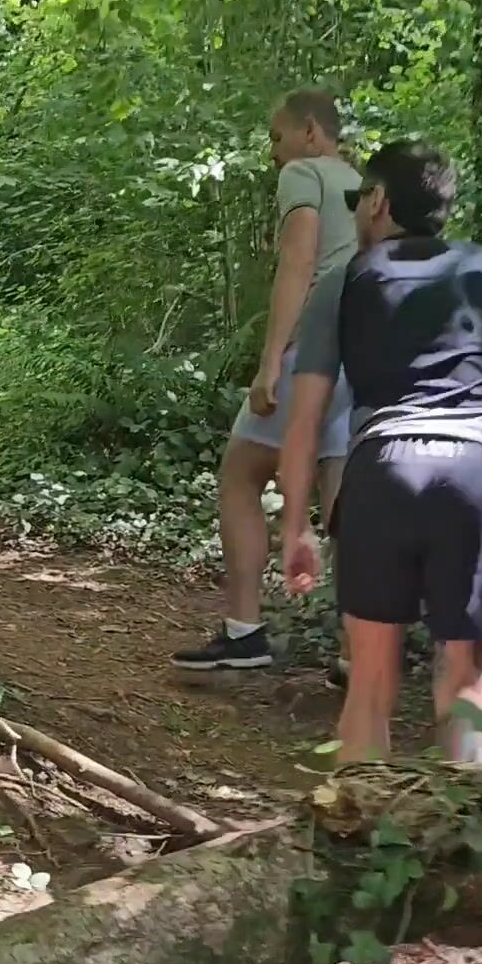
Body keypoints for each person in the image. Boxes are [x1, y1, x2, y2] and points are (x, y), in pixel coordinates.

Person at [279, 138, 482, 762]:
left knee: (370, 689)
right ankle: (460, 820)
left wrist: (296, 526)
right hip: (478, 469)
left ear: (377, 202)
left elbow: (306, 418)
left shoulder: (346, 281)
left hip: (384, 469)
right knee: (467, 692)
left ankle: (361, 823)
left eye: (358, 201)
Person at [173, 88, 361, 676]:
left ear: (310, 132)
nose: (273, 152)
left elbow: (298, 264)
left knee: (240, 475)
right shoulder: (365, 186)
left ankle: (244, 631)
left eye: (277, 137)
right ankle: (359, 651)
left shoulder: (304, 174)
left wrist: (272, 361)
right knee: (343, 500)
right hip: (363, 355)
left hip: (314, 353)